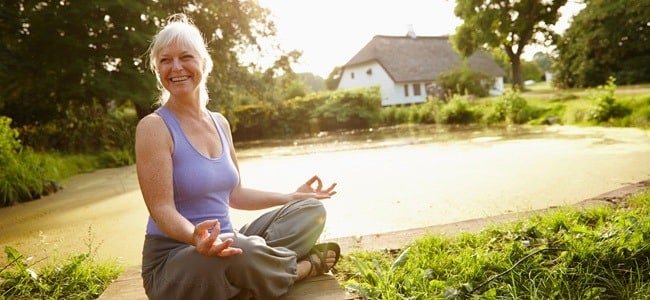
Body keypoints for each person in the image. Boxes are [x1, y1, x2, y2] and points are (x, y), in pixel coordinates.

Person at [135, 13, 341, 299]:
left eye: (186, 57)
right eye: (165, 60)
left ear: (204, 63)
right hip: (176, 261)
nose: (176, 67)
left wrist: (291, 197)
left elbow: (236, 193)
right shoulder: (153, 127)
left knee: (310, 211)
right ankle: (301, 269)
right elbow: (161, 209)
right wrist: (197, 237)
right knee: (242, 249)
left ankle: (246, 280)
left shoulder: (220, 123)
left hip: (228, 244)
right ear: (157, 69)